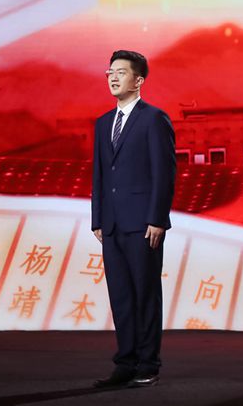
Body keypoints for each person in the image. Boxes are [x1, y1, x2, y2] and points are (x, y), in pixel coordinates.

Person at [91, 50, 176, 388]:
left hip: (143, 224)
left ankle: (148, 363)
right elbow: (100, 174)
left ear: (138, 80)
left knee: (145, 294)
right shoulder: (102, 124)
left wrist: (157, 219)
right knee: (121, 297)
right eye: (110, 72)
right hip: (111, 225)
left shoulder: (154, 119)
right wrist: (98, 219)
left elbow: (164, 173)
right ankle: (125, 363)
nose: (113, 77)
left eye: (121, 72)